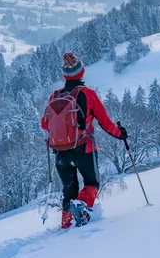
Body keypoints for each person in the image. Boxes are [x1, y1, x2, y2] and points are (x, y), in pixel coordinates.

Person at [41, 52, 127, 229]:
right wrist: (120, 134)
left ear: (65, 74)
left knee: (69, 190)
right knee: (92, 183)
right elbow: (105, 122)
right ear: (82, 72)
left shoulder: (55, 96)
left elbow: (44, 124)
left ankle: (66, 225)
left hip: (60, 153)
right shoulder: (88, 94)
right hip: (84, 149)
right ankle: (80, 208)